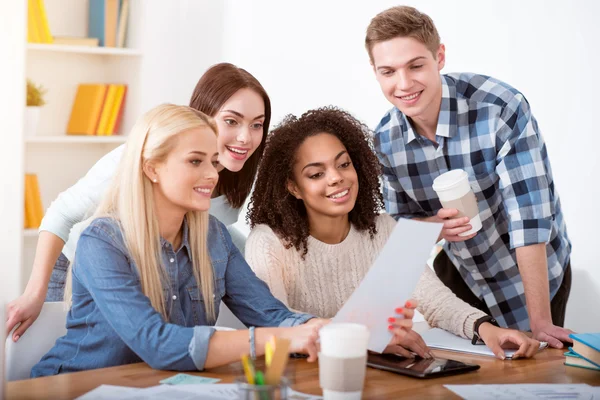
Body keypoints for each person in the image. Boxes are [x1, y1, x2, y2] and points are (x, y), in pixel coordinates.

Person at [30, 104, 335, 377]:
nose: (211, 175)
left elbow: (271, 315)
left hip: (159, 388)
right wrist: (273, 339)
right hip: (71, 387)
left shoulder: (214, 237)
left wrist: (322, 330)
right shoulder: (102, 242)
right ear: (152, 168)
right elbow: (156, 343)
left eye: (213, 161)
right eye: (194, 161)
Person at [245, 107, 541, 360]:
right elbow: (275, 331)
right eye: (316, 174)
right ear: (293, 187)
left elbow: (435, 301)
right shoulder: (268, 244)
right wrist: (368, 338)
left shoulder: (383, 229)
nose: (337, 178)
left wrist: (487, 330)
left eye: (343, 164)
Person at [7, 63, 270, 341]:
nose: (246, 137)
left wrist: (261, 252)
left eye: (257, 125)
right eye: (232, 121)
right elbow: (61, 214)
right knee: (71, 354)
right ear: (202, 115)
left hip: (145, 265)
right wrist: (34, 294)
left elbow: (216, 231)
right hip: (81, 263)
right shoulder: (142, 157)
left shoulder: (235, 174)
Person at [366, 6, 573, 348]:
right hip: (464, 276)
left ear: (440, 56)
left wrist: (540, 321)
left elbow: (530, 220)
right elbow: (400, 230)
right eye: (388, 71)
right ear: (375, 72)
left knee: (532, 370)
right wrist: (434, 227)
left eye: (416, 66)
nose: (403, 84)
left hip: (536, 276)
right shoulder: (386, 141)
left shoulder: (499, 106)